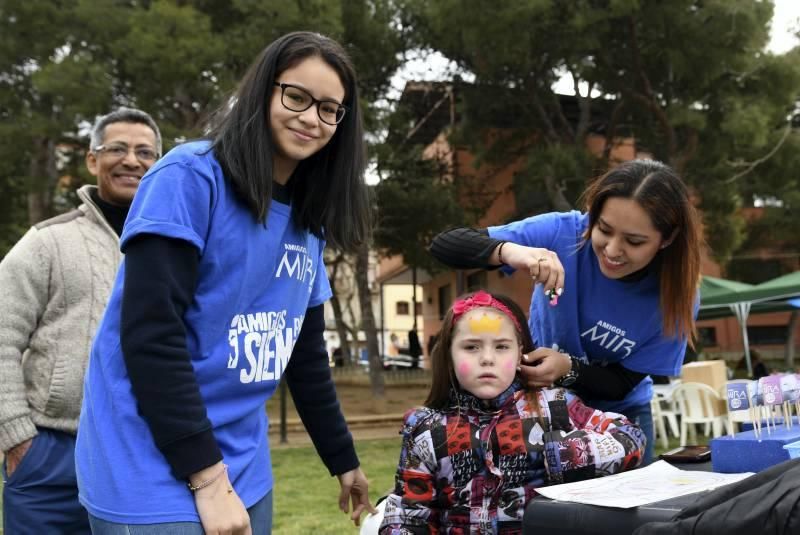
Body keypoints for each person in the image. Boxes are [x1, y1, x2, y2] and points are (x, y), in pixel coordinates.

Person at [75, 32, 375, 534]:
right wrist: (208, 481)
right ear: (263, 91)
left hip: (244, 466)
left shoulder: (309, 219)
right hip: (149, 465)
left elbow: (303, 355)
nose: (310, 118)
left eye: (329, 109)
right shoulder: (188, 178)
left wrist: (342, 458)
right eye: (296, 96)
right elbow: (152, 338)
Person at [430, 159, 702, 464]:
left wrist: (567, 368)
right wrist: (513, 251)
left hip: (620, 416)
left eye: (634, 241)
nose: (612, 250)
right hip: (539, 407)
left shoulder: (676, 296)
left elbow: (622, 382)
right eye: (604, 229)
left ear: (667, 238)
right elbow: (445, 245)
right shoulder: (565, 233)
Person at [0, 107, 161, 534]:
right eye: (117, 149)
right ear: (93, 159)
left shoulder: (179, 249)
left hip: (147, 455)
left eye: (145, 152)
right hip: (51, 456)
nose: (132, 160)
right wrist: (18, 439)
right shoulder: (47, 242)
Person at [378, 290, 645, 533]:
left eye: (501, 346)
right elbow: (408, 514)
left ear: (520, 355)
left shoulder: (557, 407)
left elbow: (631, 437)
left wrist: (566, 454)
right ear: (449, 355)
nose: (487, 358)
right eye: (471, 347)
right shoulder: (427, 429)